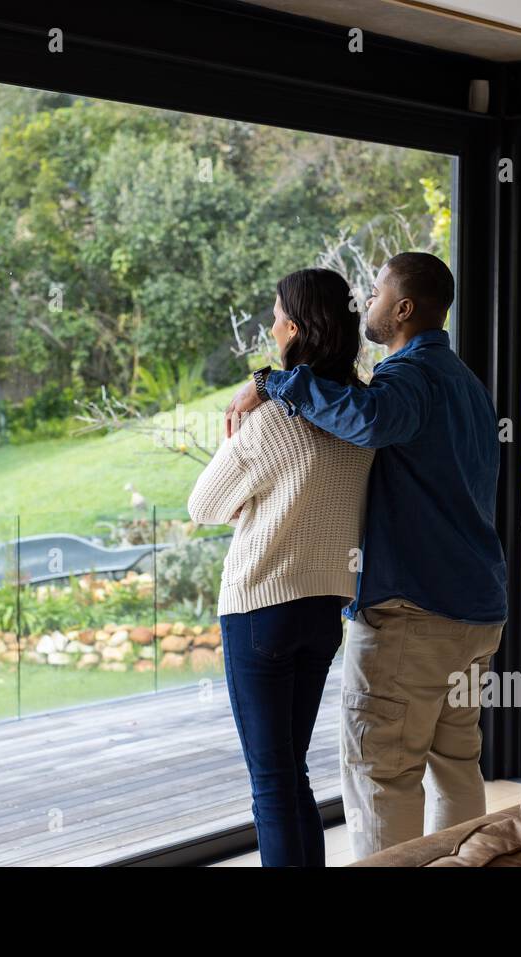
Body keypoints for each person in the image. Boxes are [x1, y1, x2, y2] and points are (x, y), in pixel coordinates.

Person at [223, 251, 508, 861]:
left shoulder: (410, 380)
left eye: (376, 293)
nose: (365, 304)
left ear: (403, 309)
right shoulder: (467, 384)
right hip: (479, 611)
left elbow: (368, 420)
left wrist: (274, 381)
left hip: (417, 614)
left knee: (382, 772)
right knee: (456, 767)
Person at [187, 267, 374, 867]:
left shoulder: (270, 421)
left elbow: (203, 505)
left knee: (272, 783)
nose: (270, 325)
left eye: (274, 316)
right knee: (292, 775)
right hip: (325, 614)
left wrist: (248, 420)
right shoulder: (362, 414)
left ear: (293, 327)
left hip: (259, 609)